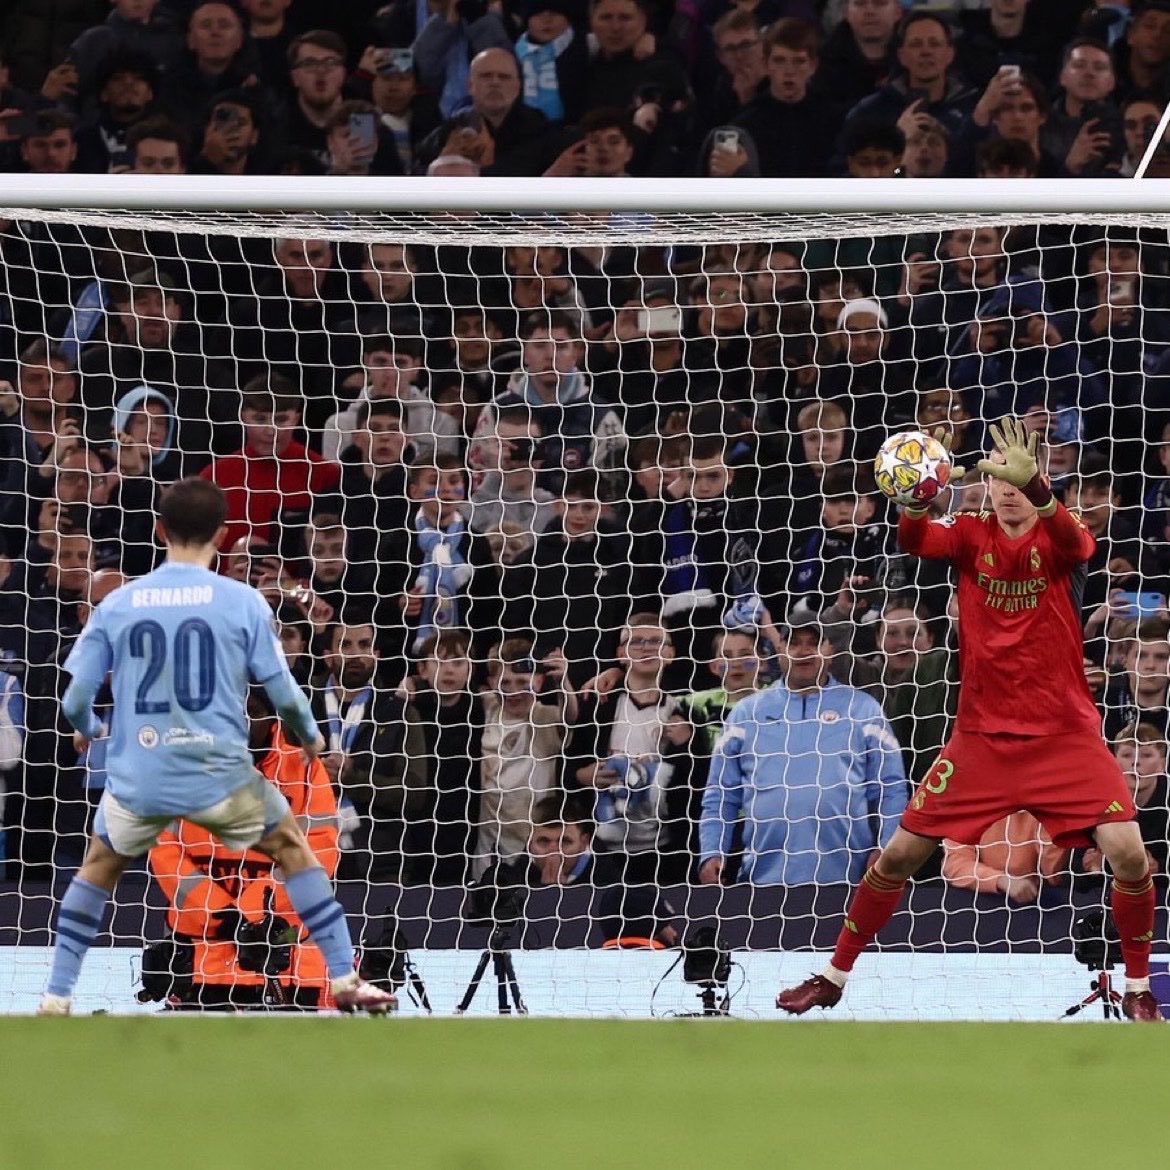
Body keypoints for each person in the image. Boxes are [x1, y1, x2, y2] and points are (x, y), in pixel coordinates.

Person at [777, 419, 1163, 1022]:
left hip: (1064, 739)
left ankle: (1139, 988)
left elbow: (1079, 545)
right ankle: (833, 975)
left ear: (1036, 477)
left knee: (1130, 855)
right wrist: (910, 502)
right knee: (899, 856)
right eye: (998, 476)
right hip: (982, 741)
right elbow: (915, 541)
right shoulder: (968, 533)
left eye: (1019, 474)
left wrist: (1036, 486)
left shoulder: (1064, 534)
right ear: (985, 484)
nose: (1005, 489)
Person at [38, 478, 394, 1014]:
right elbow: (284, 694)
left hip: (142, 774)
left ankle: (56, 996)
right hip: (218, 774)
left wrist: (89, 727)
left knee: (95, 871)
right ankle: (345, 981)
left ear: (159, 530)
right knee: (296, 852)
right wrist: (314, 736)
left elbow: (74, 702)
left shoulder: (121, 603)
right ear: (223, 535)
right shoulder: (241, 600)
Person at [699, 613, 906, 887]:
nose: (804, 650)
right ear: (779, 649)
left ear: (830, 651)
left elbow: (892, 789)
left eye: (814, 642)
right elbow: (719, 796)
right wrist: (711, 852)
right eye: (794, 642)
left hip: (850, 885)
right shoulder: (745, 714)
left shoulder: (864, 709)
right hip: (762, 886)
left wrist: (887, 848)